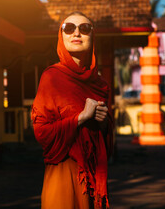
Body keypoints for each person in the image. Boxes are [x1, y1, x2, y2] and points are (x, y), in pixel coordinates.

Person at [31, 11, 113, 209]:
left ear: (92, 36)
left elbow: (105, 143)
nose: (76, 33)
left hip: (92, 177)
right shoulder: (52, 78)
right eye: (69, 28)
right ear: (61, 36)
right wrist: (81, 117)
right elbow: (41, 132)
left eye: (84, 29)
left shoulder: (99, 85)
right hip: (62, 174)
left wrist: (103, 123)